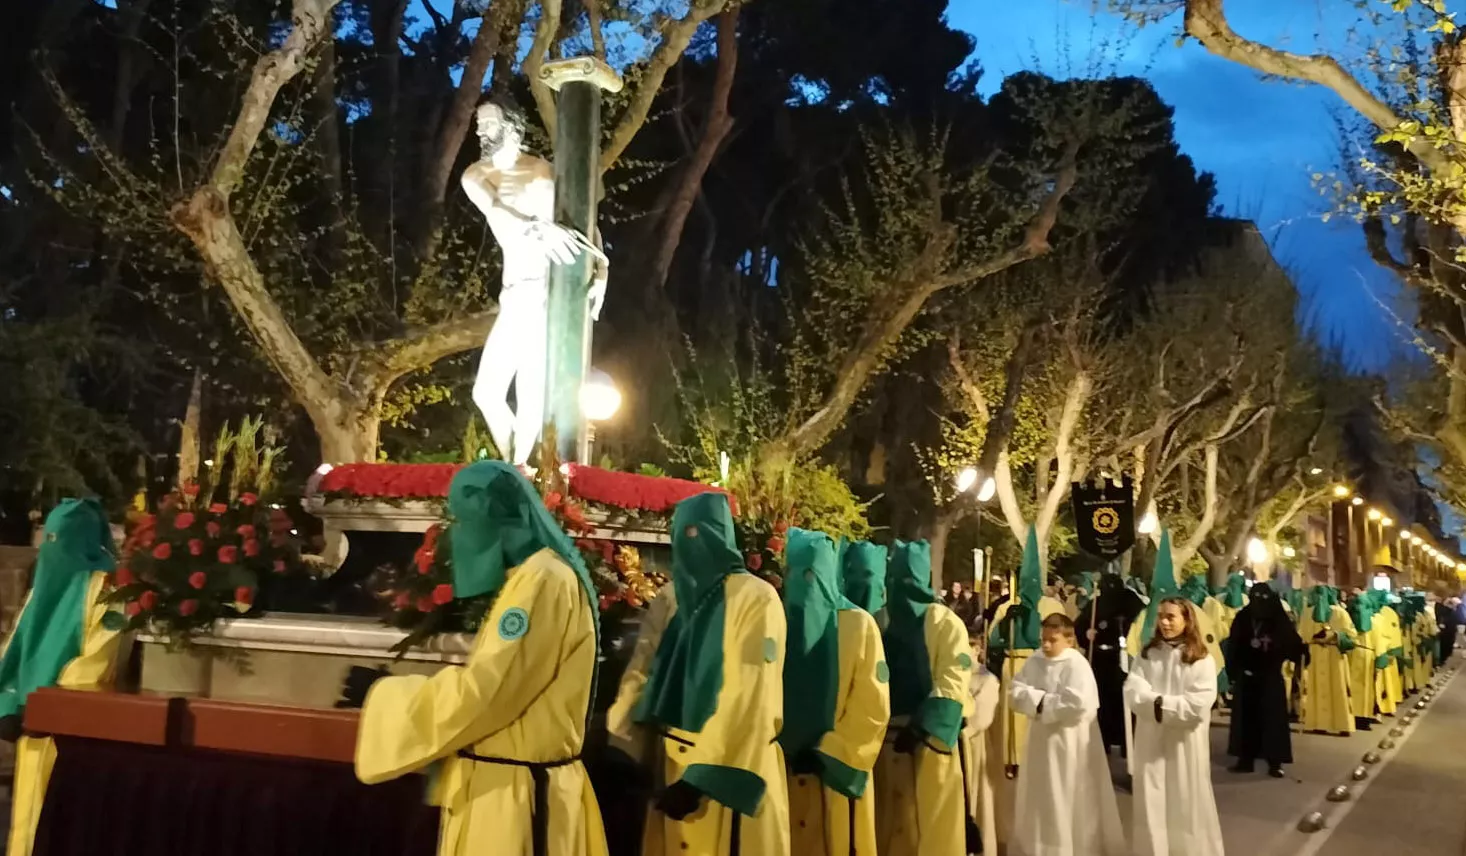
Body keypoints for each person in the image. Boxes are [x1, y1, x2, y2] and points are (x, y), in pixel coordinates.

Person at [350, 462, 607, 856]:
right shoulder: (531, 577)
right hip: (502, 789)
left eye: (468, 521)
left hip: (517, 804)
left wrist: (387, 696)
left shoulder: (543, 582)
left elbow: (490, 690)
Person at [628, 492, 790, 856]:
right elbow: (645, 666)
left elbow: (748, 694)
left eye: (699, 534)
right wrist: (626, 744)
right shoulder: (677, 598)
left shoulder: (755, 597)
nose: (691, 546)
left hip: (725, 770)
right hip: (671, 763)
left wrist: (700, 779)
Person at [462, 100, 608, 464]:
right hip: (514, 292)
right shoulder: (476, 175)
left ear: (512, 126)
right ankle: (521, 466)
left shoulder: (545, 171)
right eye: (478, 124)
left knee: (530, 389)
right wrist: (535, 226)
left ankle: (521, 469)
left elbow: (584, 223)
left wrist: (602, 270)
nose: (480, 131)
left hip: (549, 290)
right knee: (486, 392)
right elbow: (496, 211)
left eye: (488, 123)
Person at [4, 499, 124, 856]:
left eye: (61, 540)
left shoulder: (108, 595)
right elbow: (16, 649)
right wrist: (10, 702)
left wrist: (45, 704)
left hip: (70, 739)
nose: (52, 550)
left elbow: (97, 663)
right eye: (48, 540)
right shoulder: (41, 592)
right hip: (31, 730)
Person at [782, 529, 889, 856]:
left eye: (816, 574)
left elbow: (873, 704)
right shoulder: (776, 620)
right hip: (782, 773)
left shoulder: (858, 625)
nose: (808, 583)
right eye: (799, 575)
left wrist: (828, 752)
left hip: (833, 777)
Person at [873, 540, 977, 856]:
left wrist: (923, 727)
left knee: (932, 828)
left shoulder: (945, 623)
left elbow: (953, 678)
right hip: (884, 741)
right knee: (886, 826)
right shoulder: (879, 620)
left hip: (931, 744)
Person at [1009, 613, 1125, 856]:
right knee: (1040, 795)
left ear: (1069, 640)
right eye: (1043, 639)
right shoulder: (1034, 660)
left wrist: (1038, 701)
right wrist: (1042, 700)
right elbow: (1015, 692)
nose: (1046, 645)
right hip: (1040, 740)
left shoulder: (1076, 665)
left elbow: (1078, 704)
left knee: (1066, 795)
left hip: (1069, 743)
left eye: (1052, 640)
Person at [1123, 598, 1224, 856]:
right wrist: (1161, 706)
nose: (1164, 622)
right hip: (1151, 741)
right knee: (1151, 804)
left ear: (1186, 620)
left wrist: (1156, 704)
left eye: (1171, 617)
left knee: (1185, 803)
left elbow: (1197, 705)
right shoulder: (1148, 654)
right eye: (1160, 617)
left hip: (1184, 745)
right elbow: (1133, 691)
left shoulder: (1201, 659)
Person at [1225, 582, 1303, 777]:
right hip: (1247, 676)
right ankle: (1246, 760)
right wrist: (1233, 672)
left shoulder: (1278, 619)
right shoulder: (1243, 617)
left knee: (1272, 721)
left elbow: (1292, 642)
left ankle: (1275, 762)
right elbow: (1233, 644)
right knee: (1246, 721)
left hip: (1270, 678)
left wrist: (1299, 652)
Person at [1074, 572, 1144, 753]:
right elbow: (1080, 624)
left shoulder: (1131, 601)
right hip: (1098, 657)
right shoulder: (1095, 603)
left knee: (1124, 700)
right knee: (1100, 701)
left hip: (1122, 657)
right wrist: (1086, 633)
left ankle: (1126, 742)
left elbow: (1139, 622)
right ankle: (1102, 741)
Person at [1299, 585, 1357, 736]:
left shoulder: (1309, 613)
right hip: (1329, 655)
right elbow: (1352, 636)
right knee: (1335, 688)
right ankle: (1337, 724)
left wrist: (1334, 636)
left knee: (1333, 688)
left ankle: (1323, 723)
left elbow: (1302, 636)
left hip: (1328, 654)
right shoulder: (1339, 612)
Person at [966, 639, 1002, 856]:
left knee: (976, 797)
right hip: (952, 741)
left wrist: (963, 730)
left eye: (969, 645)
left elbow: (981, 717)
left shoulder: (987, 679)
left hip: (972, 742)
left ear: (978, 649)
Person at [1346, 589, 1384, 730]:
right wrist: (1380, 661)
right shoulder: (1374, 621)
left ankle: (1351, 716)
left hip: (1352, 653)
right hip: (1368, 655)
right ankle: (1364, 718)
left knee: (1350, 686)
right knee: (1366, 688)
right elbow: (1379, 643)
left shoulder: (1349, 618)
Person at [1437, 589, 1460, 663]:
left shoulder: (1451, 606)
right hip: (1446, 629)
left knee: (1448, 643)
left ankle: (1445, 658)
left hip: (1449, 629)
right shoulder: (1441, 606)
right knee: (1445, 644)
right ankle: (1443, 659)